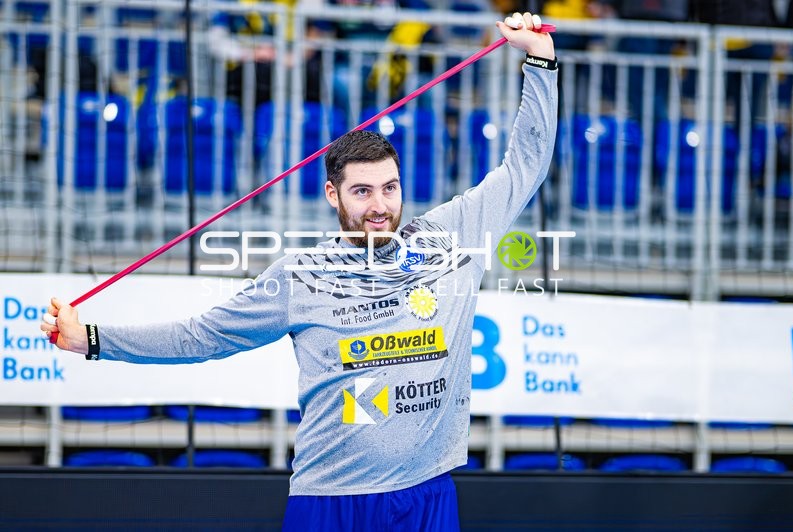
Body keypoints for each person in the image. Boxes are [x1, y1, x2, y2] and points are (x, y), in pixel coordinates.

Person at [41, 12, 557, 531]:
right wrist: (90, 338)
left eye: (390, 188)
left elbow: (525, 165)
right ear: (332, 194)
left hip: (427, 492)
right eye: (362, 191)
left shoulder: (450, 238)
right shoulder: (302, 276)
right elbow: (202, 337)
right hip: (331, 496)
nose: (380, 206)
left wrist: (539, 61)